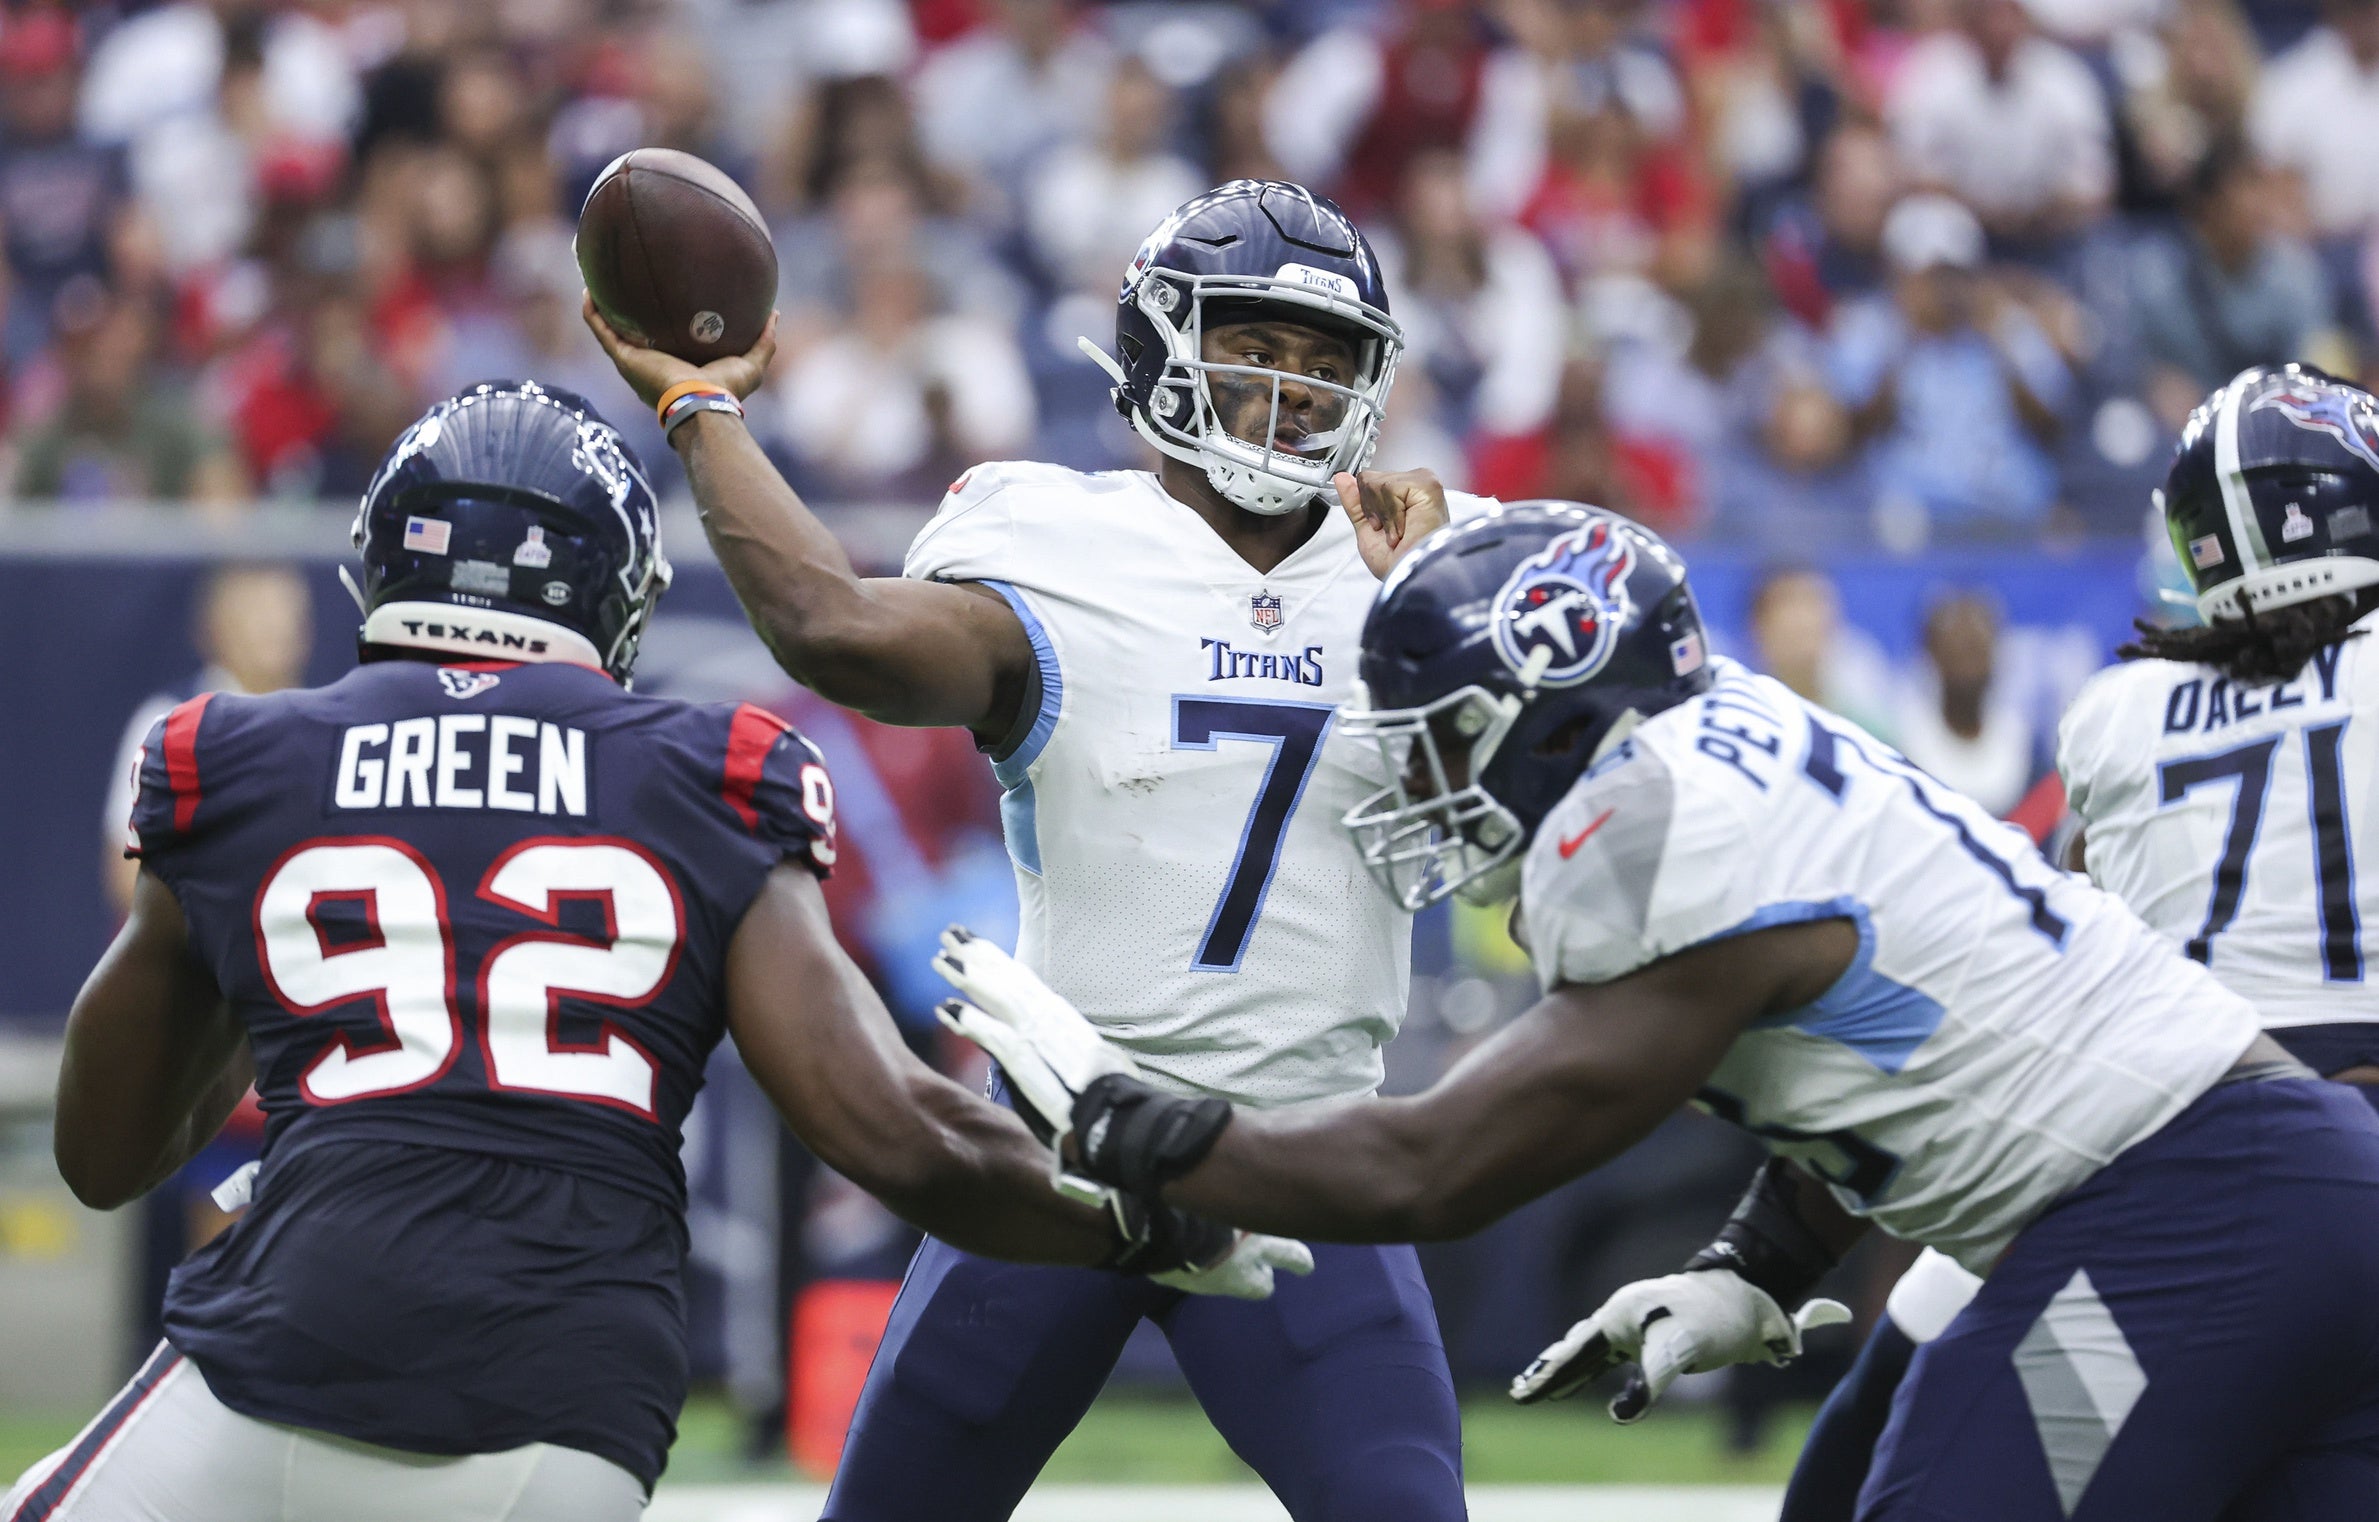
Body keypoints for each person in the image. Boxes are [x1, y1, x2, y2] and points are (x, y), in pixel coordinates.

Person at [3, 381, 1291, 1522]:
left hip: (282, 1368)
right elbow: (897, 1131)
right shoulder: (705, 773)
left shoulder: (234, 759)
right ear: (617, 589)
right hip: (574, 1415)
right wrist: (1141, 1223)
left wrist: (253, 913)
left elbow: (103, 1153)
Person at [950, 498, 2379, 1521]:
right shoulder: (1726, 746)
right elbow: (1885, 1045)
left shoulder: (1658, 838)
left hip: (2185, 1223)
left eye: (1446, 739)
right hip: (2254, 1205)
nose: (1425, 787)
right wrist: (1758, 1259)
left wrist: (1127, 1128)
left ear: (1559, 716)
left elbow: (1431, 1169)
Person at [586, 178, 1481, 1521]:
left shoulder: (1428, 560)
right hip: (1070, 1141)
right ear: (1159, 350)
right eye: (1254, 349)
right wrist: (700, 406)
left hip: (1304, 1154)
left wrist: (1463, 606)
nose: (1290, 394)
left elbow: (1644, 695)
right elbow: (836, 631)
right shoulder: (1061, 540)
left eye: (1322, 363)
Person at [1775, 361, 2379, 1521]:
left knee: (1872, 1459)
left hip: (2175, 1195)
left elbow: (2038, 967)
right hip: (2277, 1181)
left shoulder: (2121, 711)